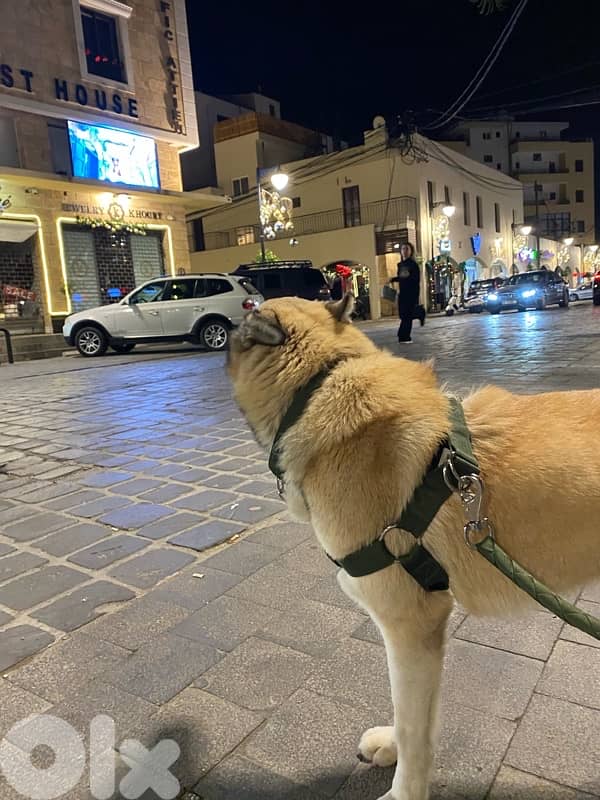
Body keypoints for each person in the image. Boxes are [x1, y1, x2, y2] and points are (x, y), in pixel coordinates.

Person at [390, 242, 420, 343]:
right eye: (403, 249)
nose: (404, 251)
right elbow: (402, 278)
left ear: (411, 251)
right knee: (403, 315)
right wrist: (394, 279)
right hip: (402, 293)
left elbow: (415, 280)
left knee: (407, 315)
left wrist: (416, 295)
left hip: (410, 293)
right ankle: (420, 313)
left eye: (407, 249)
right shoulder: (401, 265)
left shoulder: (413, 265)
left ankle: (404, 336)